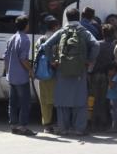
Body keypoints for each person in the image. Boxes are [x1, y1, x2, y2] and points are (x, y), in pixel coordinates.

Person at [36, 8, 99, 136]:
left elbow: (46, 45)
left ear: (67, 17)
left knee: (62, 100)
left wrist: (53, 60)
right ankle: (78, 129)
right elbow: (96, 45)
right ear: (79, 17)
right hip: (80, 70)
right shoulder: (84, 31)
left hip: (62, 70)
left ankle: (63, 128)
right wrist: (88, 60)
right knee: (80, 99)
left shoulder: (61, 32)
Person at [4, 15, 35, 136]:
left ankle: (14, 125)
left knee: (13, 102)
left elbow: (5, 57)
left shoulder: (12, 38)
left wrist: (8, 71)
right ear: (26, 25)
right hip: (21, 77)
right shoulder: (25, 39)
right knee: (25, 102)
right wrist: (31, 70)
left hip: (11, 76)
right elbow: (23, 59)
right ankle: (22, 127)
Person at [35, 15, 60, 133]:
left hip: (43, 74)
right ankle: (60, 123)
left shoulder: (39, 40)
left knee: (44, 100)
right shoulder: (57, 39)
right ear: (55, 26)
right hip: (56, 73)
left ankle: (47, 125)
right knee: (58, 99)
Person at [89, 23, 116, 130]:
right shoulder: (114, 46)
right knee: (104, 100)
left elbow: (92, 60)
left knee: (94, 98)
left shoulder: (97, 44)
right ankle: (103, 122)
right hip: (107, 76)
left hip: (95, 75)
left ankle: (93, 122)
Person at [106, 65, 117, 132]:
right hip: (112, 97)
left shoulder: (116, 77)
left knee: (114, 112)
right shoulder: (115, 77)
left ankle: (114, 127)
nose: (108, 72)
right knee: (112, 112)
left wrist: (109, 78)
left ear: (113, 70)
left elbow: (112, 86)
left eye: (110, 71)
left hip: (114, 98)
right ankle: (114, 126)